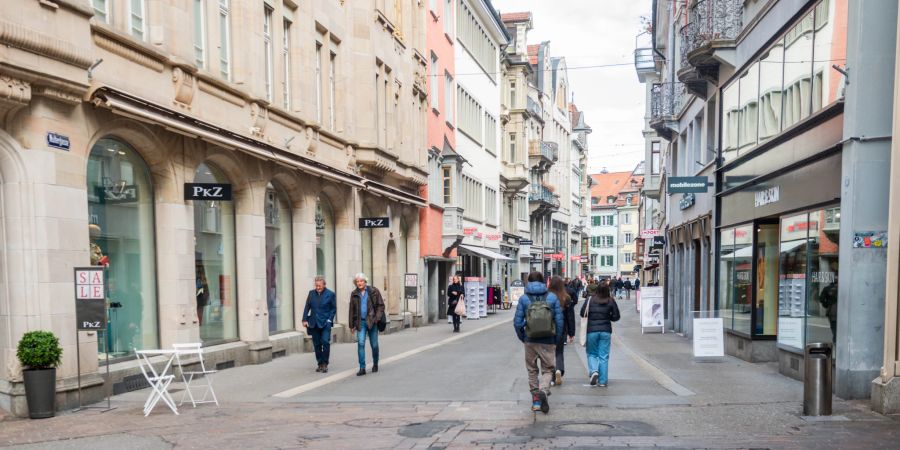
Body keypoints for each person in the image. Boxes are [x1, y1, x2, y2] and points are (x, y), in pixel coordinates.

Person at [514, 272, 564, 414]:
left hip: (530, 340)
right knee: (548, 369)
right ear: (544, 282)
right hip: (548, 339)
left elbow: (517, 323)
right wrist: (556, 339)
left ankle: (536, 401)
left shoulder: (524, 299)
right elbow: (559, 321)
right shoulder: (552, 297)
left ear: (528, 282)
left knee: (532, 370)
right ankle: (544, 389)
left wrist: (523, 337)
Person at [580, 283, 621, 387]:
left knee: (592, 353)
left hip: (591, 331)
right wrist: (608, 317)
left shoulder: (590, 300)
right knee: (604, 356)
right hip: (606, 331)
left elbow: (582, 313)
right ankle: (602, 381)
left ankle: (594, 371)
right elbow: (616, 317)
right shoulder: (611, 300)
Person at [349, 273, 385, 376]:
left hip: (372, 321)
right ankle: (362, 367)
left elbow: (380, 306)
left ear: (365, 282)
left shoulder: (374, 291)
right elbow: (352, 310)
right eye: (357, 281)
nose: (359, 283)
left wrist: (377, 318)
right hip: (361, 322)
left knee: (374, 345)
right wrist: (352, 325)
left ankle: (375, 363)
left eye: (361, 281)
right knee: (360, 343)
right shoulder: (354, 294)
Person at [302, 276, 337, 373]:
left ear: (324, 285)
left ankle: (325, 363)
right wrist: (304, 319)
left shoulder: (330, 294)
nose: (318, 287)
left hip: (325, 323)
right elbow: (307, 306)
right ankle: (320, 363)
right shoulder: (311, 293)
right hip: (314, 323)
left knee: (325, 342)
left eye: (320, 286)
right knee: (317, 344)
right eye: (316, 285)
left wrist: (330, 320)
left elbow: (333, 309)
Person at [548, 276, 575, 386]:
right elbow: (570, 316)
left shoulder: (547, 296)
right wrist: (571, 333)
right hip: (561, 327)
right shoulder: (566, 297)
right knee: (559, 351)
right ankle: (559, 369)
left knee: (549, 353)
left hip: (547, 327)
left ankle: (552, 376)